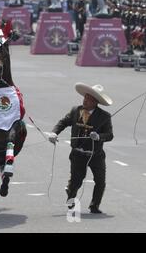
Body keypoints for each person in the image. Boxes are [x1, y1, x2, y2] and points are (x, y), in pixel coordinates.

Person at [48, 83, 114, 214]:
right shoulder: (75, 111)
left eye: (89, 99)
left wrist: (98, 137)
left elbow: (110, 135)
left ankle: (94, 206)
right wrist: (54, 133)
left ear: (95, 102)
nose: (85, 100)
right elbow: (63, 122)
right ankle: (71, 199)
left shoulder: (104, 116)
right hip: (77, 153)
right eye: (85, 97)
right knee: (76, 180)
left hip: (96, 154)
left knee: (100, 181)